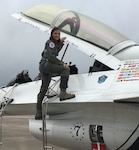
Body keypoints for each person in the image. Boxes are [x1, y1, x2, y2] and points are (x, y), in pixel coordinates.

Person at [35, 27, 75, 120]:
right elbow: (51, 57)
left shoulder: (51, 43)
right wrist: (62, 64)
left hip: (43, 66)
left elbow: (54, 51)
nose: (57, 35)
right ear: (52, 34)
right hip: (47, 65)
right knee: (65, 70)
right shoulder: (50, 43)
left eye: (58, 34)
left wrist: (60, 42)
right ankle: (63, 93)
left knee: (44, 89)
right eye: (55, 33)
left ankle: (38, 112)